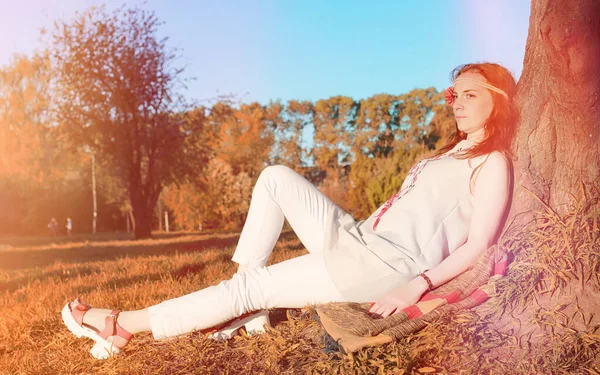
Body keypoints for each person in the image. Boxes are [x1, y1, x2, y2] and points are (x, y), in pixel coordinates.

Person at [61, 62, 519, 359]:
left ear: (498, 99)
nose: (456, 103)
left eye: (470, 95)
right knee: (276, 177)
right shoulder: (448, 154)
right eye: (452, 95)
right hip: (358, 238)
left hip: (382, 265)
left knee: (253, 286)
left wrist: (414, 287)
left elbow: (480, 244)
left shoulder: (492, 163)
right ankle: (246, 304)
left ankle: (123, 325)